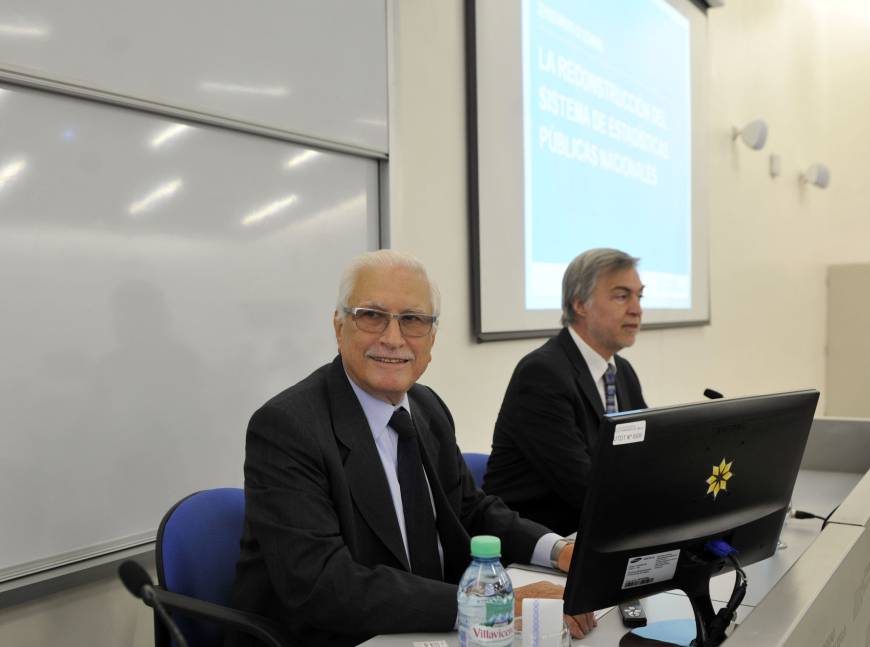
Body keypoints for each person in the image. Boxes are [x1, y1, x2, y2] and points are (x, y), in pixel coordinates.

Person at [228, 250, 595, 647]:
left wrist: (559, 550)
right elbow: (321, 584)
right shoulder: (288, 427)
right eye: (371, 315)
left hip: (426, 632)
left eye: (413, 320)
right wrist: (487, 605)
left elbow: (471, 512)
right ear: (339, 327)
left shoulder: (426, 407)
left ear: (432, 337)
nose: (392, 337)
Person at [483, 248, 647, 536]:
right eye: (622, 296)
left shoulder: (622, 372)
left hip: (595, 531)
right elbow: (583, 486)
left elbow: (645, 457)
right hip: (537, 542)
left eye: (639, 296)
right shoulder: (542, 375)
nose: (636, 309)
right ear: (580, 304)